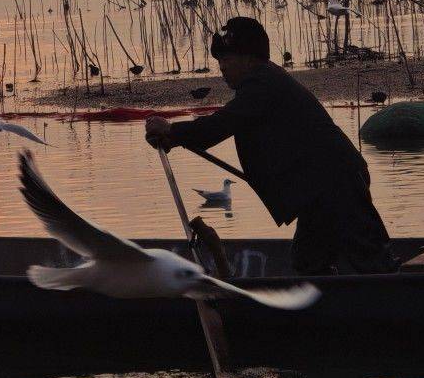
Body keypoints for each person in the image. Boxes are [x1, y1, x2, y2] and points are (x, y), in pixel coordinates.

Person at [146, 15, 391, 277]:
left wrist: (172, 130)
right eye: (219, 61)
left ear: (249, 58)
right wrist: (176, 138)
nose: (222, 68)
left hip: (337, 183)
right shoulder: (262, 82)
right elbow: (219, 127)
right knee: (308, 262)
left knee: (368, 259)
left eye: (227, 59)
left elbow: (220, 125)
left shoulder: (263, 83)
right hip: (319, 189)